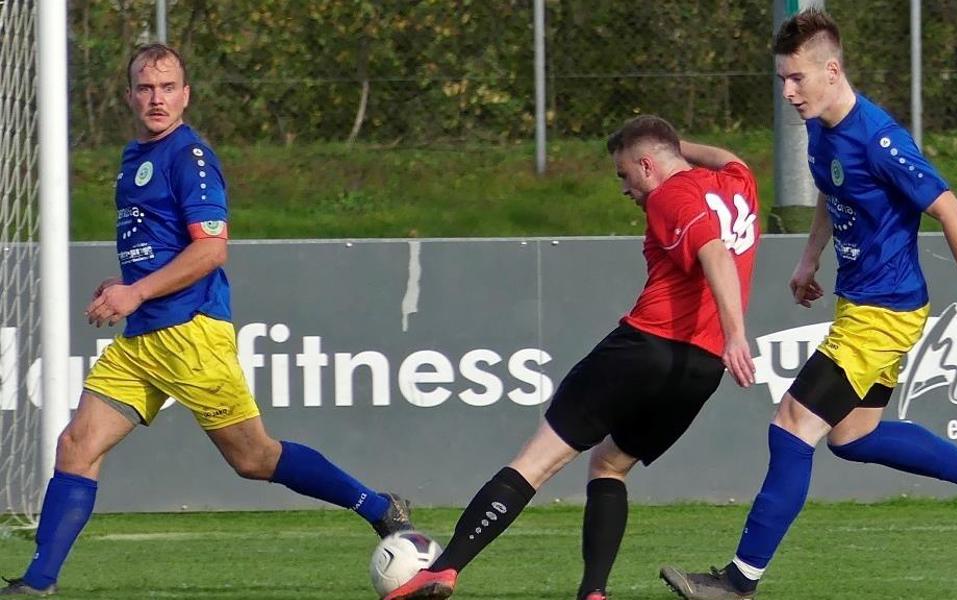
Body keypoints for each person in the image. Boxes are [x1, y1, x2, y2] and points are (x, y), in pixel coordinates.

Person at [1, 44, 412, 597]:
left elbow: (212, 251)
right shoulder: (133, 155)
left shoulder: (189, 156)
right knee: (77, 444)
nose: (157, 98)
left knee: (254, 458)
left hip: (192, 332)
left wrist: (135, 291)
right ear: (129, 96)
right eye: (146, 88)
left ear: (186, 94)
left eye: (168, 87)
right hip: (144, 336)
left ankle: (378, 506)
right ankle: (38, 582)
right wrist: (123, 287)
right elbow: (158, 246)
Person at [659, 10, 957, 600]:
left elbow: (953, 213)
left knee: (791, 428)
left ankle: (736, 581)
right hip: (860, 305)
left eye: (797, 79)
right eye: (782, 79)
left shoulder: (880, 139)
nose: (787, 92)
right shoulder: (822, 128)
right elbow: (833, 194)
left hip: (883, 315)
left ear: (831, 71)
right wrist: (810, 258)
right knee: (853, 437)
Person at [383, 114, 761, 600]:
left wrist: (737, 334)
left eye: (624, 173)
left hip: (645, 347)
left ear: (648, 165)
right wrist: (669, 144)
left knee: (534, 463)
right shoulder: (736, 185)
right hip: (699, 370)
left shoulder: (671, 195)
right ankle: (594, 592)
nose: (625, 187)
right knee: (609, 465)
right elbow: (730, 158)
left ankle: (445, 568)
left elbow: (713, 252)